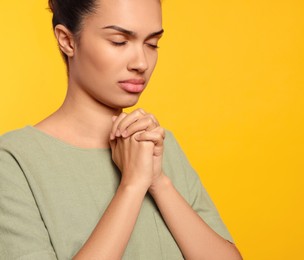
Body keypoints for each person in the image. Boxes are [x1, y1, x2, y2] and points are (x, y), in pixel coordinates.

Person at [0, 0, 242, 259]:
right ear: (67, 41)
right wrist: (132, 185)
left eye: (152, 44)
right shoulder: (14, 162)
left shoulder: (158, 144)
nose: (141, 63)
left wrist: (159, 183)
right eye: (119, 41)